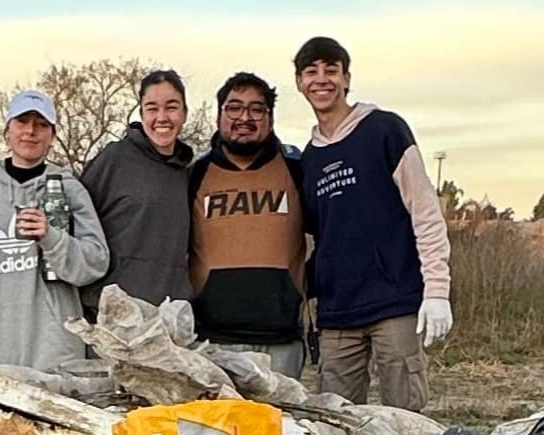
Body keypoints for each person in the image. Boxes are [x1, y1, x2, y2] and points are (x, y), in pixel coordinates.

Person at [291, 35, 452, 410]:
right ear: (300, 83)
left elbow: (425, 211)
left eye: (331, 70)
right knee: (335, 421)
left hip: (393, 303)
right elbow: (320, 235)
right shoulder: (309, 159)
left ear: (346, 78)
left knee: (407, 418)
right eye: (311, 72)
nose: (321, 79)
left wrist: (437, 291)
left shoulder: (384, 130)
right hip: (337, 313)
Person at [0, 89, 109, 371]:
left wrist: (52, 238)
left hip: (56, 355)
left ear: (52, 135)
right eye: (22, 122)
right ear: (6, 131)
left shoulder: (69, 189)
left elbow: (96, 262)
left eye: (41, 124)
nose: (30, 132)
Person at [189, 71, 313, 378]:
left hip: (281, 341)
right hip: (212, 340)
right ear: (219, 115)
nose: (245, 117)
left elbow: (336, 235)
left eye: (256, 109)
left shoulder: (297, 170)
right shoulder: (193, 176)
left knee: (280, 427)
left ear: (269, 119)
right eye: (234, 107)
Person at [78, 68, 194, 311]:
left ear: (184, 113)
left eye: (171, 107)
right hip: (113, 315)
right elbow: (77, 226)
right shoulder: (114, 159)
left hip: (167, 316)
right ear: (141, 114)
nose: (162, 117)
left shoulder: (188, 172)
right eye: (152, 108)